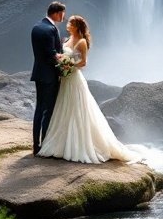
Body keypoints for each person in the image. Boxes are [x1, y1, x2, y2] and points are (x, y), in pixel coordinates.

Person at [38, 15, 136, 164]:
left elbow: (83, 62)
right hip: (65, 79)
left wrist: (69, 66)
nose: (68, 24)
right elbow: (60, 55)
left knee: (77, 109)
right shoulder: (67, 39)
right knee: (65, 108)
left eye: (71, 22)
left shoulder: (82, 42)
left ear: (77, 26)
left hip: (74, 78)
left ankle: (79, 145)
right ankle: (62, 144)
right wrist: (61, 63)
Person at [31, 1, 65, 155]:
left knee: (38, 110)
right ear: (57, 13)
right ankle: (45, 144)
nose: (63, 16)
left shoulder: (37, 27)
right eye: (63, 13)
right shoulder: (51, 29)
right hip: (50, 76)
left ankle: (35, 145)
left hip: (39, 73)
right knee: (48, 111)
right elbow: (52, 55)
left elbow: (43, 51)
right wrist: (64, 62)